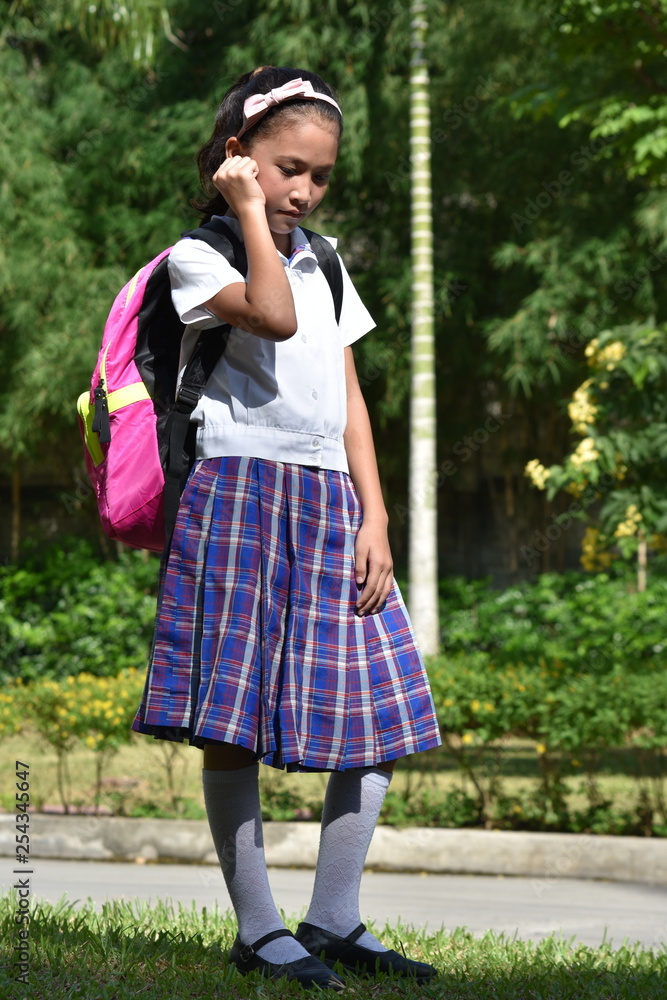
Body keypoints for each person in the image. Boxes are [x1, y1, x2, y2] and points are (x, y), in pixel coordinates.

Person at [132, 65, 442, 991]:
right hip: (236, 497)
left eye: (319, 176)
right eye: (284, 168)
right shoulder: (198, 256)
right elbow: (267, 316)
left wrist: (376, 516)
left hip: (327, 500)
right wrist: (249, 216)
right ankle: (260, 931)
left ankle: (335, 917)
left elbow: (346, 395)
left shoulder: (327, 258)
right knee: (233, 722)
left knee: (380, 711)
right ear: (239, 160)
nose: (302, 190)